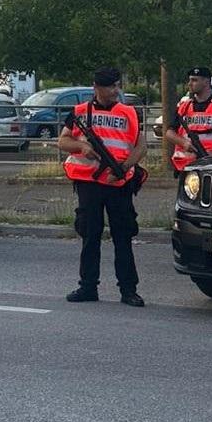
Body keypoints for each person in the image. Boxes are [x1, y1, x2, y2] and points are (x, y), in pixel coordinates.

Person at [57, 66, 148, 307]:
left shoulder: (128, 112)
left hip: (119, 182)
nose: (116, 91)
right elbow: (62, 141)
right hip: (89, 183)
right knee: (90, 235)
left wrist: (124, 167)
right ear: (97, 87)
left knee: (123, 236)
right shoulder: (79, 112)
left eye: (117, 85)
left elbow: (141, 147)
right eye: (110, 86)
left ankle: (128, 290)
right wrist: (81, 147)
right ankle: (88, 287)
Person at [165, 66, 212, 172]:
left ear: (206, 82)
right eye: (189, 80)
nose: (190, 83)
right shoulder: (183, 106)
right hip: (186, 163)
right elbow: (169, 132)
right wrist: (184, 143)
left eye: (194, 80)